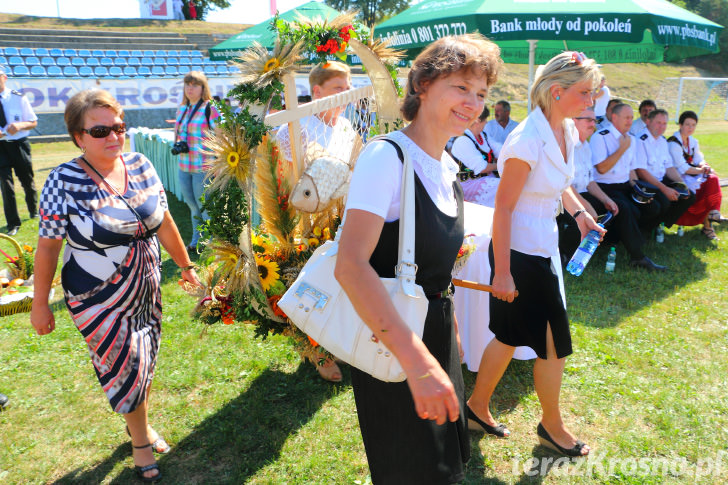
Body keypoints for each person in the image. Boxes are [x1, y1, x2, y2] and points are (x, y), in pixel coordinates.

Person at [335, 34, 502, 483]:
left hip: (436, 337)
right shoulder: (385, 158)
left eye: (482, 93)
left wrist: (450, 340)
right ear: (423, 85)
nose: (473, 103)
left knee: (443, 465)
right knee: (411, 469)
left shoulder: (446, 166)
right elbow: (350, 266)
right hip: (394, 347)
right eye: (461, 87)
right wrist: (419, 364)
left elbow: (436, 273)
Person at [31, 89, 201, 482]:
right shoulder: (63, 180)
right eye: (100, 130)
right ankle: (140, 440)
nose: (113, 136)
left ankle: (134, 422)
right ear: (77, 136)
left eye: (119, 127)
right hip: (97, 294)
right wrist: (41, 303)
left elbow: (165, 222)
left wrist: (186, 265)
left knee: (142, 359)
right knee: (126, 361)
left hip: (146, 287)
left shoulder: (140, 164)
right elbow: (48, 246)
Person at [467, 51, 603, 458]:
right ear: (557, 92)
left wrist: (579, 213)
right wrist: (503, 273)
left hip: (543, 247)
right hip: (520, 253)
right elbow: (504, 209)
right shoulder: (526, 140)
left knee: (507, 336)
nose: (591, 101)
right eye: (585, 92)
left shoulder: (565, 129)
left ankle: (475, 408)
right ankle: (551, 426)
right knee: (554, 344)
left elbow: (559, 182)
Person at [276, 61, 358, 383]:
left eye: (348, 88)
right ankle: (315, 350)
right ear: (317, 92)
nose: (346, 95)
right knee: (309, 284)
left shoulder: (347, 128)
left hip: (342, 217)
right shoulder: (295, 128)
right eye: (339, 89)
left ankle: (335, 339)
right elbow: (284, 181)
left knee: (339, 282)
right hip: (305, 221)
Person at [590, 103, 666, 271]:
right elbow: (601, 168)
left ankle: (619, 238)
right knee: (625, 209)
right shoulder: (600, 137)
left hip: (625, 185)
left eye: (632, 117)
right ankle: (637, 256)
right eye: (626, 117)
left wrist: (637, 188)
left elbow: (630, 169)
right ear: (615, 118)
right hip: (604, 187)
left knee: (652, 206)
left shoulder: (631, 138)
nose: (630, 121)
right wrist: (621, 148)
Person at [557, 107, 619, 258]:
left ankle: (602, 247)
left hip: (581, 193)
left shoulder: (586, 146)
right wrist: (586, 206)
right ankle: (565, 253)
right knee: (590, 215)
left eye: (595, 120)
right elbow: (565, 184)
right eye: (588, 120)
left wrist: (606, 199)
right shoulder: (566, 146)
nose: (593, 124)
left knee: (617, 206)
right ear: (573, 121)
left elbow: (590, 180)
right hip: (562, 197)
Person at [173, 71, 220, 253]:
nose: (190, 88)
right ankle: (196, 241)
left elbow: (220, 135)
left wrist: (218, 163)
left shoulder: (210, 107)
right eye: (187, 85)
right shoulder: (182, 108)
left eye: (194, 85)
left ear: (203, 88)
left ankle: (211, 244)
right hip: (184, 165)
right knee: (192, 206)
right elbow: (177, 132)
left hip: (204, 166)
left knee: (205, 207)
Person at [668, 110, 727, 240]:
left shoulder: (693, 141)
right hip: (677, 178)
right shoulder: (673, 143)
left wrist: (704, 166)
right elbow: (683, 168)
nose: (690, 128)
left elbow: (699, 158)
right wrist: (702, 171)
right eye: (687, 124)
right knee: (709, 182)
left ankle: (712, 216)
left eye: (693, 125)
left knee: (712, 178)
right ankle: (709, 223)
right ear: (680, 125)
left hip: (691, 175)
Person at [634, 108, 694, 229]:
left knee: (689, 195)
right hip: (646, 183)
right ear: (648, 122)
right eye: (658, 122)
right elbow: (641, 172)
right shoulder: (640, 140)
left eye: (664, 123)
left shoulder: (662, 140)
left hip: (660, 181)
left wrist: (682, 184)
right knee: (664, 201)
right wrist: (664, 189)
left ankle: (661, 225)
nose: (661, 126)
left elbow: (669, 167)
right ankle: (648, 229)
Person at [0, 65, 38, 236]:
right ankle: (12, 223)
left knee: (27, 180)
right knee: (6, 185)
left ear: (4, 77)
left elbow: (33, 121)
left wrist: (20, 125)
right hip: (1, 147)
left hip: (19, 144)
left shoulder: (18, 98)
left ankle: (33, 211)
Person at [448, 105, 501, 208]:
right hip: (468, 185)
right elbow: (482, 167)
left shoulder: (483, 135)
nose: (486, 123)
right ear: (477, 120)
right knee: (503, 186)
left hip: (486, 180)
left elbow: (500, 149)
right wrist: (500, 165)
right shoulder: (462, 140)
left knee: (508, 184)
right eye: (485, 120)